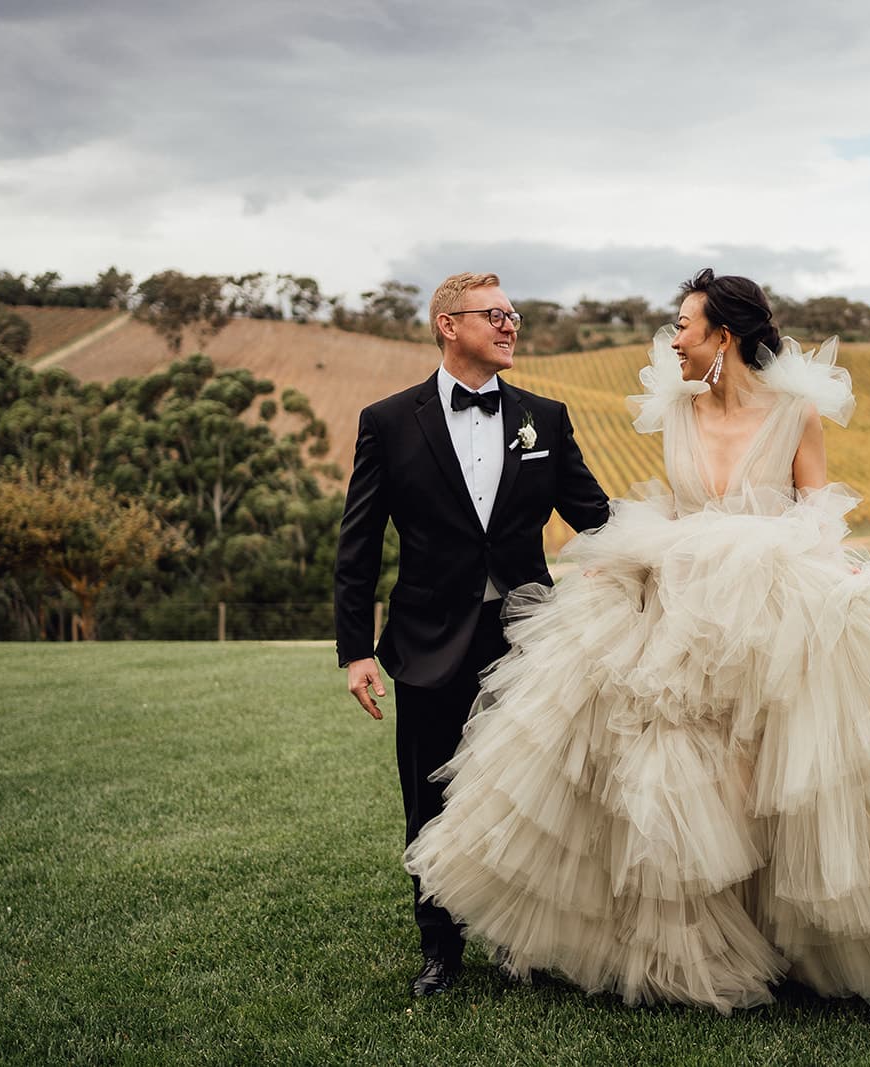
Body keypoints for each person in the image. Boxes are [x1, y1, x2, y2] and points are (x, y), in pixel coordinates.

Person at [404, 269, 870, 1012]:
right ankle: (704, 943)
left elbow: (818, 515)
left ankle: (801, 941)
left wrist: (830, 582)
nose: (674, 340)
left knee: (784, 779)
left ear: (723, 336)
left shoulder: (797, 413)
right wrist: (636, 556)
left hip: (774, 608)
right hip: (682, 616)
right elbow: (670, 505)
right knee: (692, 780)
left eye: (685, 327)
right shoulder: (679, 411)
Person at [334, 271, 610, 998]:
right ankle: (440, 950)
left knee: (538, 796)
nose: (511, 324)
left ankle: (528, 943)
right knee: (431, 798)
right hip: (426, 639)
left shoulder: (545, 419)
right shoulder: (389, 421)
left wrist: (678, 552)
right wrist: (356, 649)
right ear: (448, 325)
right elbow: (358, 543)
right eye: (495, 314)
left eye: (514, 313)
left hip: (529, 640)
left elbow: (595, 516)